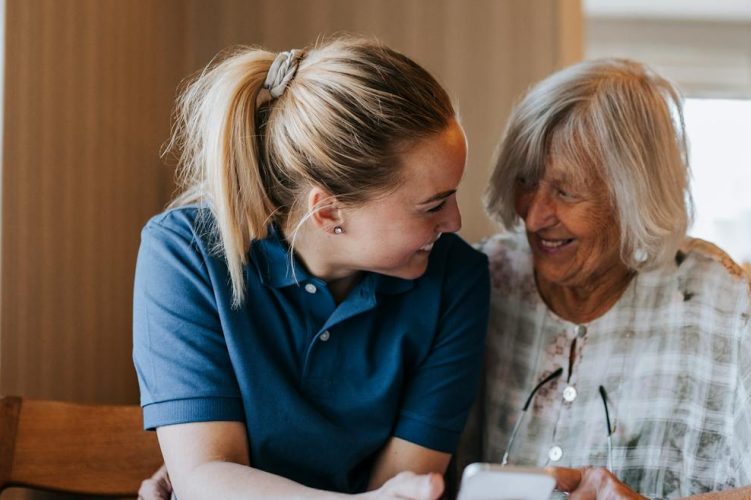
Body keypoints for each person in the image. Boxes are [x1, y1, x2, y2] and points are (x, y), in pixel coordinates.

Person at [464, 58, 751, 499]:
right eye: (526, 181)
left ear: (633, 195)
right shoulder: (484, 279)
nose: (533, 215)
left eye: (566, 192)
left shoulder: (707, 299)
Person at [132, 37, 488, 500]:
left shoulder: (457, 280)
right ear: (328, 213)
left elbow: (403, 488)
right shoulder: (186, 253)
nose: (455, 222)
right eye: (433, 205)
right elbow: (206, 478)